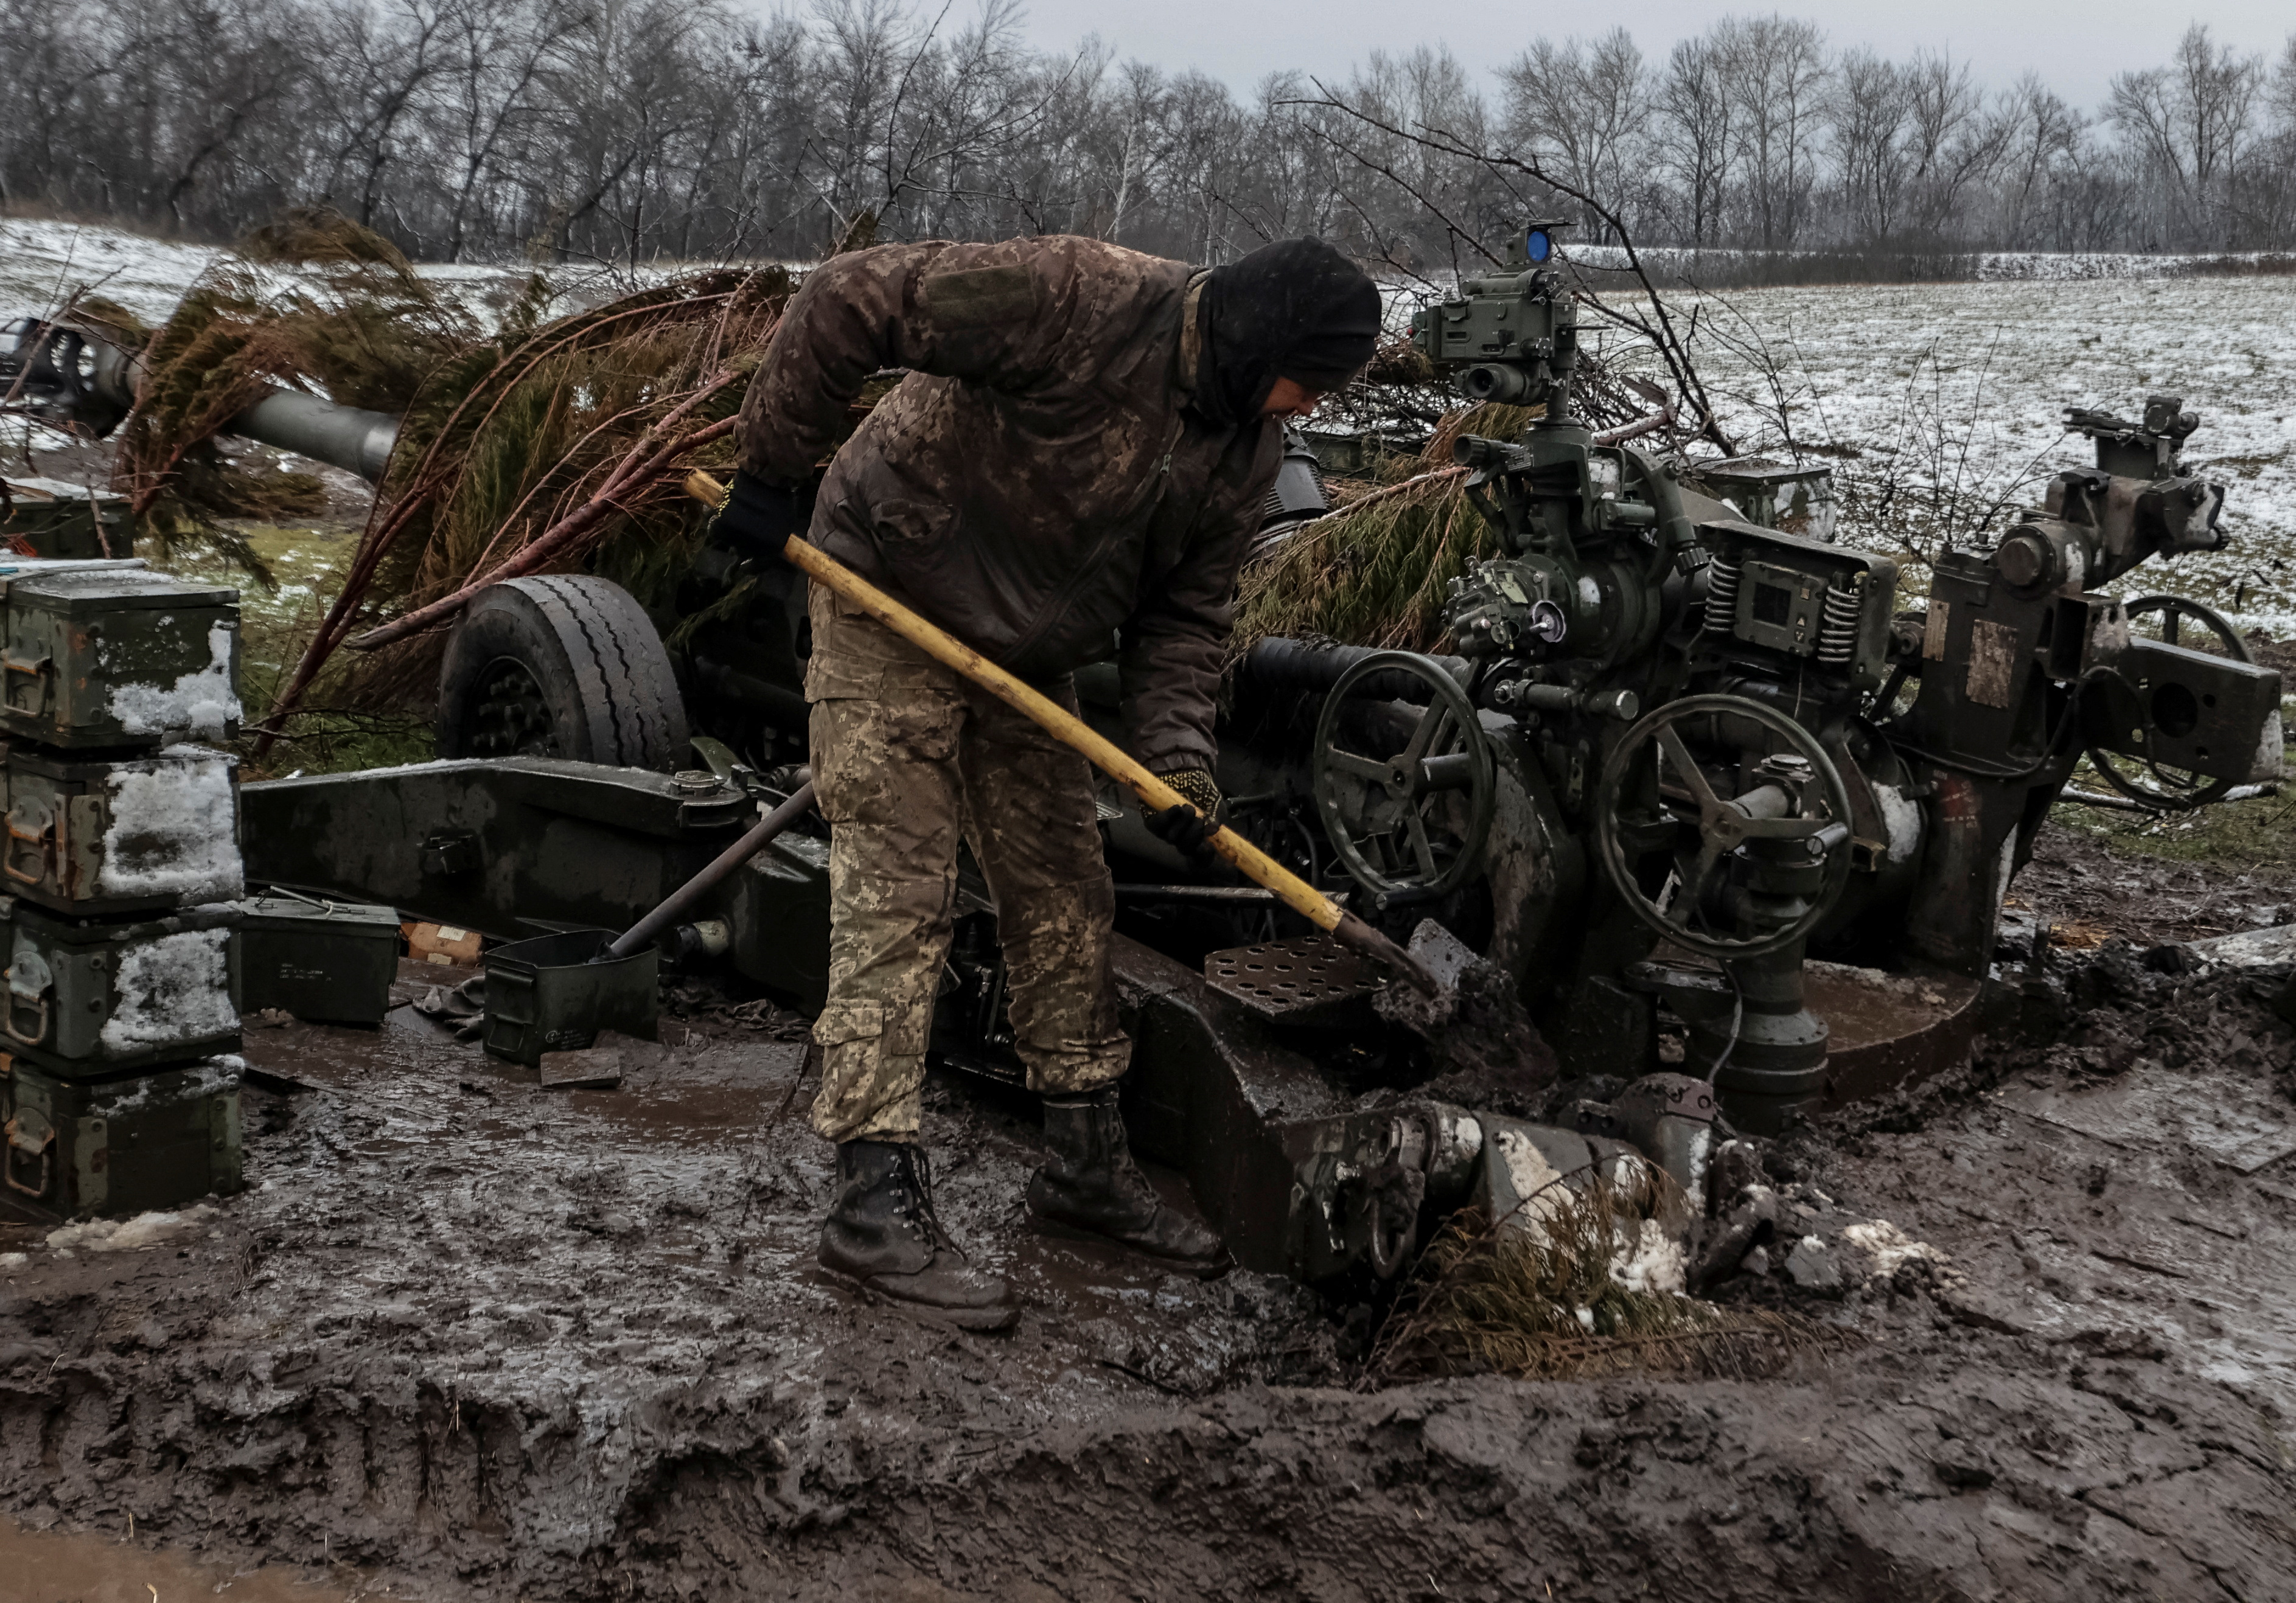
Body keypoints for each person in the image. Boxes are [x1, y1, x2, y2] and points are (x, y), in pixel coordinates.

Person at [717, 234, 1381, 1329]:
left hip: (1024, 658)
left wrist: (1176, 758)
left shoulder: (1244, 450)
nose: (1300, 406)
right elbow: (850, 295)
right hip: (888, 584)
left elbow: (1184, 617)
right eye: (1302, 378)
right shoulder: (1072, 295)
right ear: (1256, 334)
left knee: (1068, 893)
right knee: (900, 892)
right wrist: (773, 473)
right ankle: (870, 1207)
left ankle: (1083, 1164)